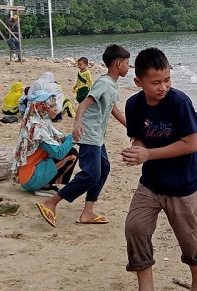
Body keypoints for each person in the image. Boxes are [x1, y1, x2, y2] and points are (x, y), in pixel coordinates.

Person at [117, 47, 197, 291]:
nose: (163, 87)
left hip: (183, 183)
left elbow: (191, 144)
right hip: (152, 182)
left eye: (167, 80)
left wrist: (147, 153)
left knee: (190, 239)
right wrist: (137, 150)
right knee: (135, 227)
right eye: (156, 82)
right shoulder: (133, 105)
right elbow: (139, 137)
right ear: (139, 82)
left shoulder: (179, 103)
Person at [35, 44, 129, 228]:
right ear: (118, 64)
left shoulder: (111, 85)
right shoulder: (103, 82)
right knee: (91, 174)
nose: (128, 66)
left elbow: (112, 109)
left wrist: (130, 128)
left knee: (104, 169)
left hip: (98, 136)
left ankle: (87, 212)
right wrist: (77, 122)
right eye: (127, 63)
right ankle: (51, 203)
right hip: (88, 134)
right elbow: (86, 101)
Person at [11, 90, 79, 195]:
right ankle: (45, 186)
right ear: (42, 107)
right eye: (52, 106)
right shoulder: (38, 128)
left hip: (26, 174)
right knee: (71, 154)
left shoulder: (35, 121)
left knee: (67, 149)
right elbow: (59, 153)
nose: (56, 109)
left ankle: (45, 184)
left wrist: (71, 139)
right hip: (30, 178)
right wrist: (73, 138)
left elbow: (60, 138)